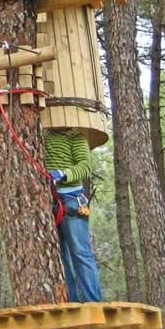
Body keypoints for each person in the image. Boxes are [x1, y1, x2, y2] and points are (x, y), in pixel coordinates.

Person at [45, 128, 103, 302]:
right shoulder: (41, 136)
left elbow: (85, 167)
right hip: (48, 199)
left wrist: (63, 174)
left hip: (72, 199)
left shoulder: (76, 137)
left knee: (80, 252)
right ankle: (71, 302)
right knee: (59, 255)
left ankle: (93, 302)